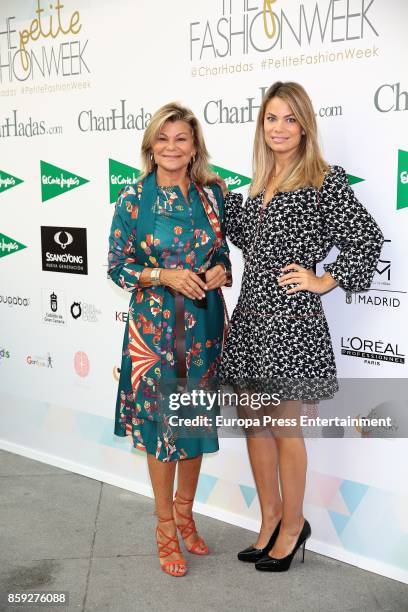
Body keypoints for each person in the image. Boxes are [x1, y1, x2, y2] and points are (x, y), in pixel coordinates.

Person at [219, 81, 384, 572]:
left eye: (291, 119)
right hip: (251, 318)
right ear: (261, 125)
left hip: (291, 322)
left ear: (306, 125)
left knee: (284, 428)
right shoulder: (260, 182)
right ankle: (269, 521)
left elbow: (367, 238)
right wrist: (219, 196)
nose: (280, 128)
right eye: (272, 118)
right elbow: (247, 237)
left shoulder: (324, 181)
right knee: (254, 425)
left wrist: (323, 279)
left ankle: (294, 527)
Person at [107, 102, 232, 577]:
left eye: (181, 138)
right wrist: (163, 275)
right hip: (154, 331)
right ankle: (164, 526)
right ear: (150, 147)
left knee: (194, 425)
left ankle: (185, 514)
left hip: (202, 325)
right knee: (163, 431)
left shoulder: (212, 195)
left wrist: (221, 271)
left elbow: (221, 252)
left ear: (194, 145)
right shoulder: (133, 200)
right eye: (163, 139)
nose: (172, 147)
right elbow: (117, 266)